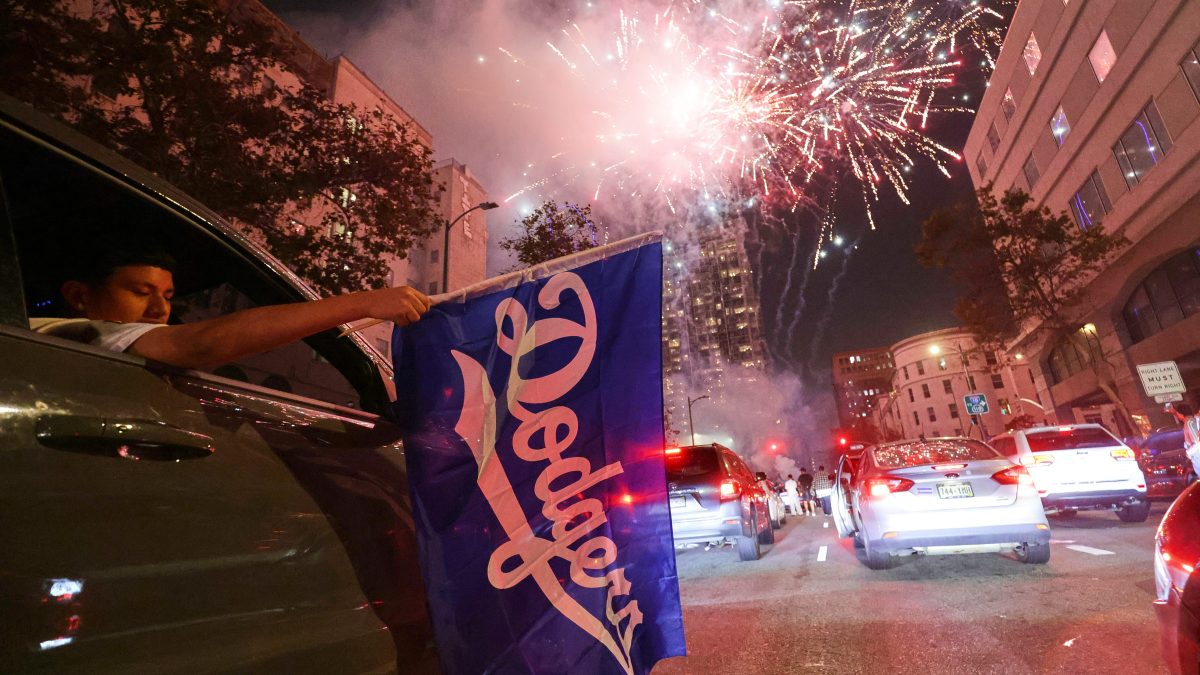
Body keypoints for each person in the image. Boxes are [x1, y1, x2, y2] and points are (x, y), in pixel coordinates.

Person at [31, 246, 431, 368]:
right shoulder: (60, 333)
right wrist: (366, 302)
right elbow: (201, 343)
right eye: (140, 291)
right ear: (78, 296)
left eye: (167, 297)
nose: (158, 310)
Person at [1166, 402, 1200, 477]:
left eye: (1177, 413)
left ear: (1180, 414)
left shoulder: (1190, 423)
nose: (1177, 415)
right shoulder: (1190, 421)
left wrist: (1189, 452)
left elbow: (1198, 442)